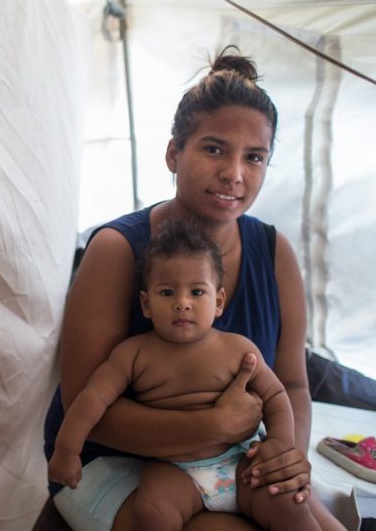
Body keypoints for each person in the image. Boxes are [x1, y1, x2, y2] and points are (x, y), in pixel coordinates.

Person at [42, 47, 346, 531]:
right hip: (108, 461)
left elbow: (291, 382)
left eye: (255, 157)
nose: (234, 174)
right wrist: (211, 426)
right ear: (173, 154)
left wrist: (286, 454)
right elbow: (87, 405)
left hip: (230, 456)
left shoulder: (274, 253)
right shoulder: (119, 249)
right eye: (213, 148)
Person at [48, 220, 319, 531]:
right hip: (172, 467)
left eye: (196, 291)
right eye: (166, 292)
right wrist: (67, 450)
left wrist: (281, 445)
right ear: (146, 304)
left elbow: (276, 395)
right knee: (152, 513)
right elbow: (91, 400)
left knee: (291, 506)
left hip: (237, 461)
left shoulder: (238, 349)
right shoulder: (133, 354)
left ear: (217, 301)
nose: (182, 303)